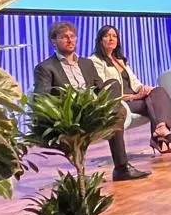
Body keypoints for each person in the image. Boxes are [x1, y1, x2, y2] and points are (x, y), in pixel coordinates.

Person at [34, 21, 149, 180]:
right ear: (54, 41)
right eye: (64, 37)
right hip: (70, 116)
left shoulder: (86, 63)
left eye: (72, 36)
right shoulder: (45, 68)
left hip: (93, 111)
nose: (70, 40)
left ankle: (121, 168)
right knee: (115, 112)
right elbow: (41, 98)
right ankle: (117, 168)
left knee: (114, 99)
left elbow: (100, 88)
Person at [89, 25, 171, 154]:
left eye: (114, 36)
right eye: (107, 36)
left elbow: (134, 81)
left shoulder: (120, 60)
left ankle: (161, 129)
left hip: (135, 97)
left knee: (158, 91)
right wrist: (134, 97)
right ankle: (159, 136)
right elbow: (105, 90)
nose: (111, 38)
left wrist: (143, 89)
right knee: (153, 103)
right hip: (119, 102)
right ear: (100, 40)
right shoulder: (95, 61)